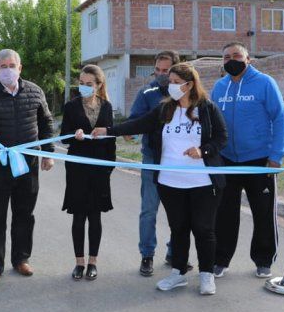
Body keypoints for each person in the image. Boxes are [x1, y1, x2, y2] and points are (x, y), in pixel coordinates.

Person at [90, 62, 227, 295]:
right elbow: (139, 124)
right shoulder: (165, 109)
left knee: (204, 229)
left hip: (202, 183)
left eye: (175, 82)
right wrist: (108, 130)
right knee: (179, 228)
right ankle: (178, 273)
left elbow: (221, 138)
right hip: (170, 182)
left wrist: (203, 151)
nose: (170, 86)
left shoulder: (206, 108)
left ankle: (206, 275)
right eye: (169, 82)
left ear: (190, 84)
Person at [0, 49, 55, 285]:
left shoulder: (35, 91)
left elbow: (46, 122)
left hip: (28, 165)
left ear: (20, 68)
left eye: (11, 65)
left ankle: (21, 259)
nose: (7, 70)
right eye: (3, 66)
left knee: (24, 214)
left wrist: (48, 154)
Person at [211, 42, 284, 279]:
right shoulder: (219, 86)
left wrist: (276, 156)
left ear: (248, 59)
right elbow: (212, 122)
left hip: (259, 160)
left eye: (236, 55)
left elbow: (280, 118)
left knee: (263, 213)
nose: (231, 60)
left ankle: (264, 260)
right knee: (224, 214)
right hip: (227, 160)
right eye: (226, 57)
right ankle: (220, 259)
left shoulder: (265, 83)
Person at [129, 51, 194, 276]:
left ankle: (175, 253)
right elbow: (134, 121)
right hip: (153, 160)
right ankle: (147, 255)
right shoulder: (147, 92)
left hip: (180, 162)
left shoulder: (191, 96)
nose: (160, 74)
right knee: (149, 210)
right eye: (157, 70)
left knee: (180, 212)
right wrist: (131, 133)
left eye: (166, 71)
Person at [61, 65, 116, 281]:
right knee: (78, 216)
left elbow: (110, 138)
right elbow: (63, 137)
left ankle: (93, 262)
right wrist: (74, 135)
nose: (84, 87)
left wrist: (109, 166)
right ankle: (79, 262)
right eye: (81, 84)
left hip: (100, 167)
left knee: (95, 216)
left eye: (89, 84)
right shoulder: (71, 106)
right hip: (77, 169)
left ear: (99, 85)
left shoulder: (107, 106)